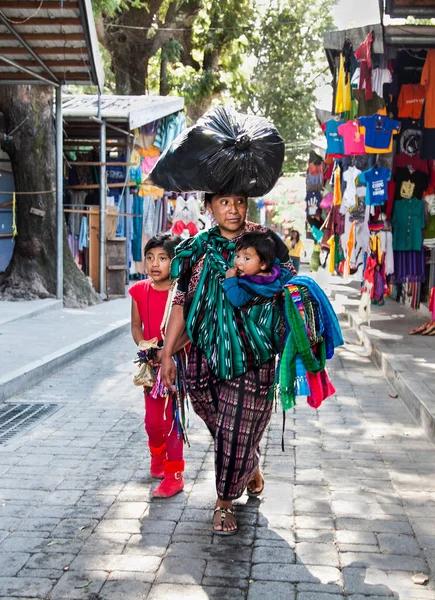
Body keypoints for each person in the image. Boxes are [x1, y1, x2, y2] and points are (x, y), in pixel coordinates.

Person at [160, 193, 295, 535]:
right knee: (222, 424)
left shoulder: (266, 242)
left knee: (237, 428)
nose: (232, 209)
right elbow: (180, 302)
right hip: (205, 354)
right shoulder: (195, 250)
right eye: (223, 202)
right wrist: (166, 354)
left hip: (255, 354)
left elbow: (289, 289)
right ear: (208, 207)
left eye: (238, 201)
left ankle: (224, 502)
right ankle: (248, 465)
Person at [129, 232, 186, 498]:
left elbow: (187, 329)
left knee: (170, 420)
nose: (155, 263)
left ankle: (175, 475)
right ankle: (157, 455)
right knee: (152, 422)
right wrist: (146, 347)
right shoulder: (139, 291)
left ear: (174, 262)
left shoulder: (180, 293)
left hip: (176, 363)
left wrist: (167, 352)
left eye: (163, 258)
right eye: (150, 258)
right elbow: (136, 326)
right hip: (150, 364)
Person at [223, 231, 293, 307]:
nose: (238, 262)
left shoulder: (251, 285)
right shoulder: (277, 272)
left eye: (246, 258)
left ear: (263, 264)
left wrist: (230, 280)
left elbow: (237, 300)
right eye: (237, 256)